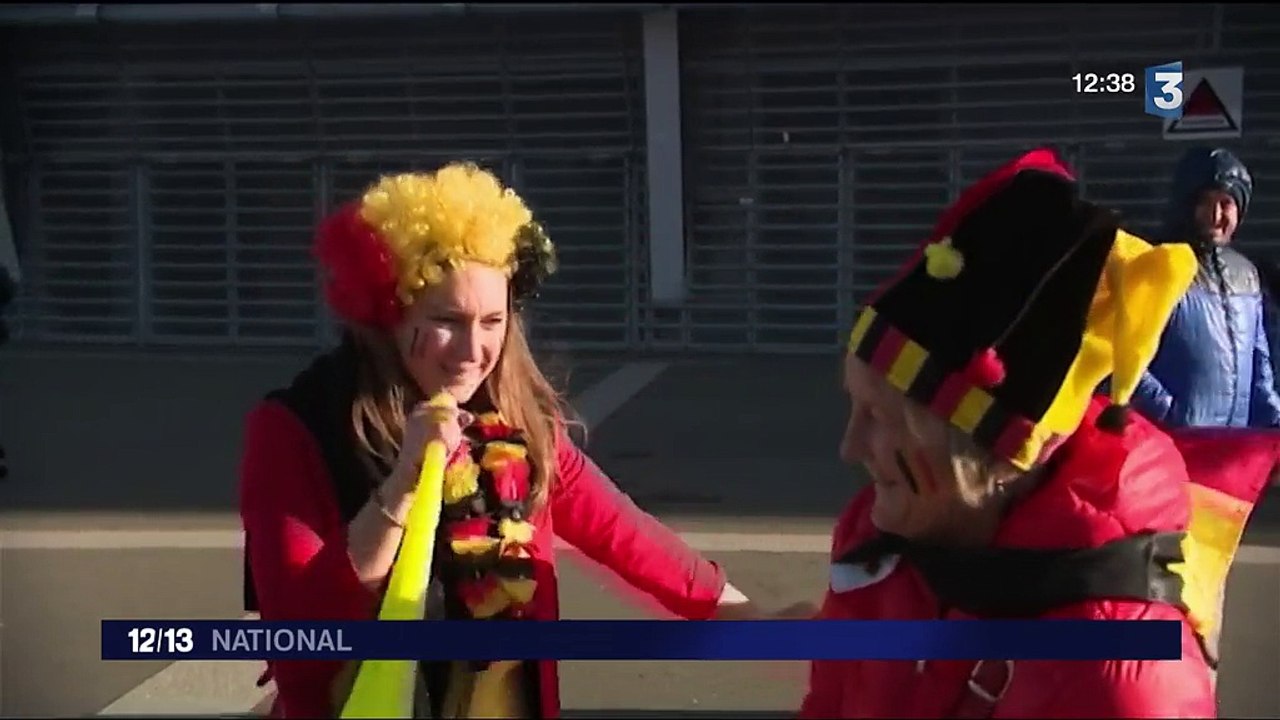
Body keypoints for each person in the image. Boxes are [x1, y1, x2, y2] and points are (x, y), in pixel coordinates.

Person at [239, 163, 760, 719]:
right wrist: (401, 492)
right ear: (388, 311)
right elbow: (298, 631)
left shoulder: (516, 420)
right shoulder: (298, 427)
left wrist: (750, 619)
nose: (473, 350)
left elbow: (623, 533)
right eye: (447, 320)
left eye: (492, 320)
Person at [800, 148, 1280, 718]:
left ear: (991, 453)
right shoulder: (876, 534)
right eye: (855, 408)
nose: (849, 448)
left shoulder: (1121, 678)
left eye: (881, 417)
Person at [1129, 146, 1280, 429]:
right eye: (1205, 202)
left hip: (1234, 452)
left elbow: (1261, 370)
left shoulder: (1246, 274)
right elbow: (1123, 359)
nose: (1216, 214)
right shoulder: (1157, 264)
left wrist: (1273, 425)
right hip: (1172, 449)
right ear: (1185, 204)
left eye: (1227, 203)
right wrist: (1169, 414)